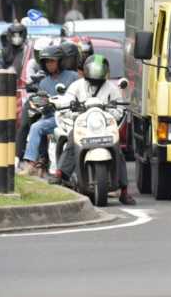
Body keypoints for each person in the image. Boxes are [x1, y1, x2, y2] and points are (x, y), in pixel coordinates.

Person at [49, 54, 136, 205]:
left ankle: (124, 190)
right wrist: (72, 111)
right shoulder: (77, 86)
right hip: (83, 123)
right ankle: (60, 172)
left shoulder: (111, 88)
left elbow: (120, 109)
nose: (96, 74)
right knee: (71, 141)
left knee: (118, 150)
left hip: (103, 125)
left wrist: (111, 113)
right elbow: (66, 102)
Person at [20, 45, 80, 174]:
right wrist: (41, 104)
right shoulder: (44, 82)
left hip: (70, 117)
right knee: (36, 125)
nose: (49, 64)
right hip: (52, 118)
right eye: (46, 62)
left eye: (52, 61)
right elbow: (43, 106)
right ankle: (33, 163)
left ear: (60, 61)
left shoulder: (73, 76)